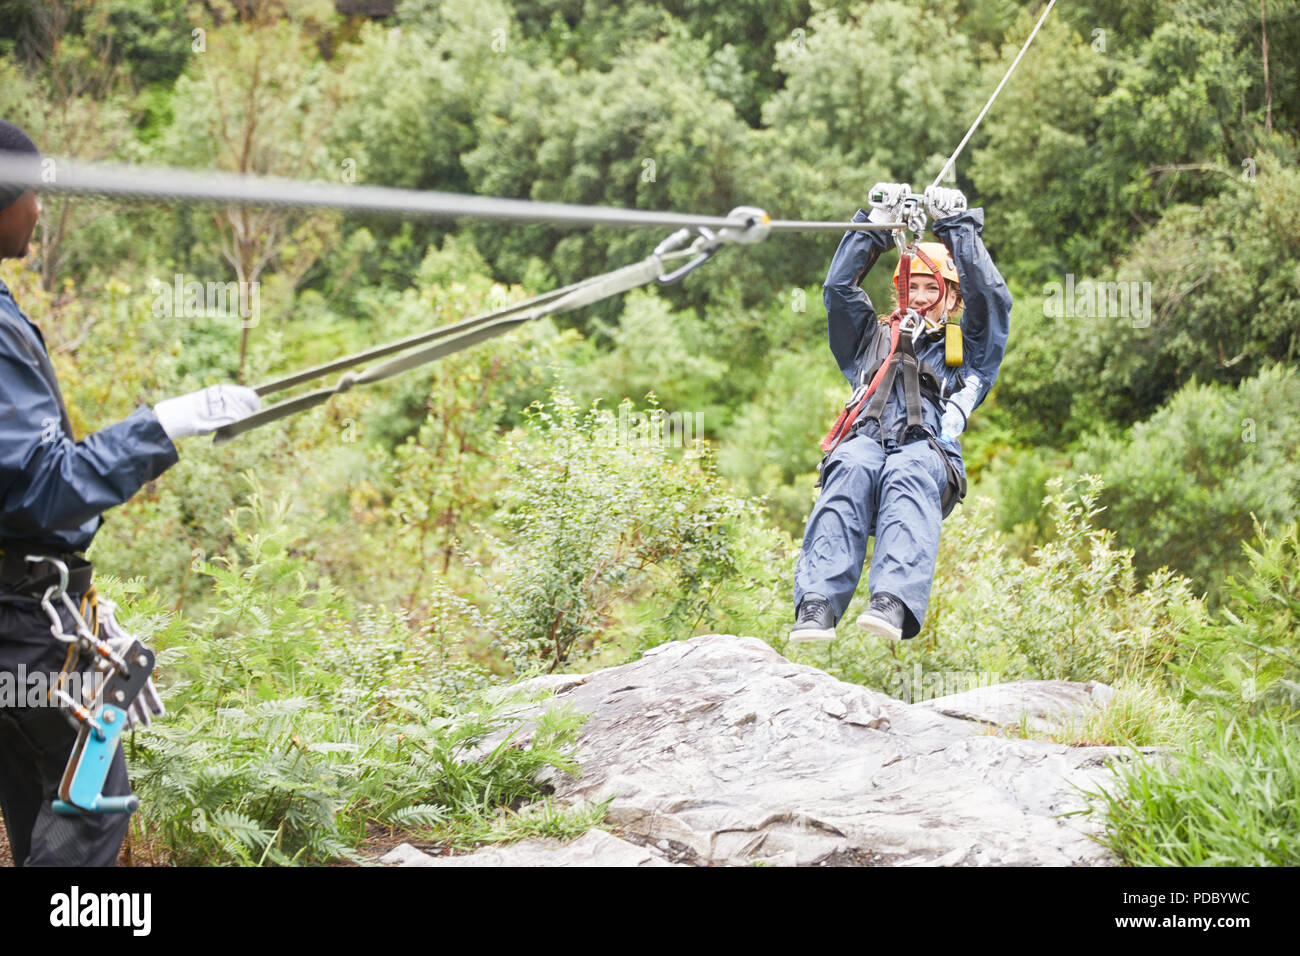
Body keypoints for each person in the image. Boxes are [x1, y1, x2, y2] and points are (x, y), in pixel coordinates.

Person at [0, 119, 261, 866]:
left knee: (38, 798)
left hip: (26, 613)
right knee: (89, 804)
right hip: (22, 625)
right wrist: (164, 424)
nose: (41, 212)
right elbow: (43, 488)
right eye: (33, 196)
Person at [789, 182, 1011, 643]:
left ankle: (890, 601)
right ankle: (817, 606)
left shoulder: (962, 352)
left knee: (908, 470)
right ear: (900, 292)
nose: (923, 295)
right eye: (914, 286)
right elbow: (838, 288)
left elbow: (991, 303)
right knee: (850, 466)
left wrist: (957, 229)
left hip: (926, 452)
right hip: (866, 441)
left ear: (952, 297)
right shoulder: (870, 339)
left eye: (934, 287)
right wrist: (875, 225)